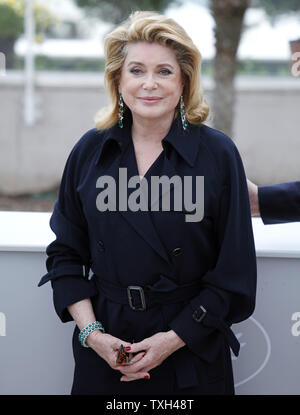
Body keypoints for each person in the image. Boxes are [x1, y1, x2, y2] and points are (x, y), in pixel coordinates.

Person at [38, 11, 257, 395]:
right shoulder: (90, 151)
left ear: (184, 80)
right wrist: (93, 335)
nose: (149, 84)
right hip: (105, 349)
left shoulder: (219, 155)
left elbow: (234, 274)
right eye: (136, 70)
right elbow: (65, 255)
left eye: (165, 72)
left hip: (191, 348)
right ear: (118, 81)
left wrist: (171, 340)